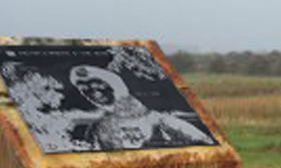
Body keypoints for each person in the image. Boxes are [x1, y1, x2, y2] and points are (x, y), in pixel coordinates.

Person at [68, 64, 212, 151]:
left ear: (115, 85)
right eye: (84, 89)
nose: (93, 93)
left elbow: (203, 143)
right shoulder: (96, 128)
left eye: (98, 85)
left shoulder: (158, 120)